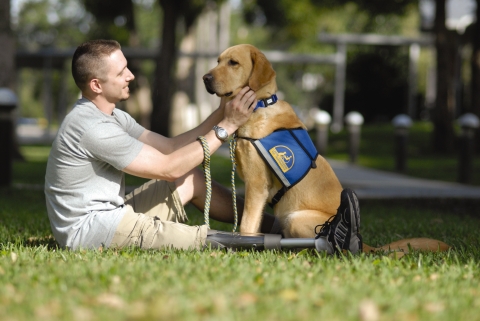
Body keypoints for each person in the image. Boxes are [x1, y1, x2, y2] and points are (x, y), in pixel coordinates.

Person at [45, 39, 362, 254]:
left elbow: (170, 147)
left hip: (111, 213)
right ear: (96, 85)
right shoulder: (90, 126)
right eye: (121, 72)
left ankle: (313, 228)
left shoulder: (113, 115)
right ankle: (315, 244)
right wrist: (227, 128)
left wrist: (225, 111)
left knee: (191, 178)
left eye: (127, 66)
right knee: (204, 237)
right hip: (93, 233)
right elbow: (168, 167)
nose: (130, 75)